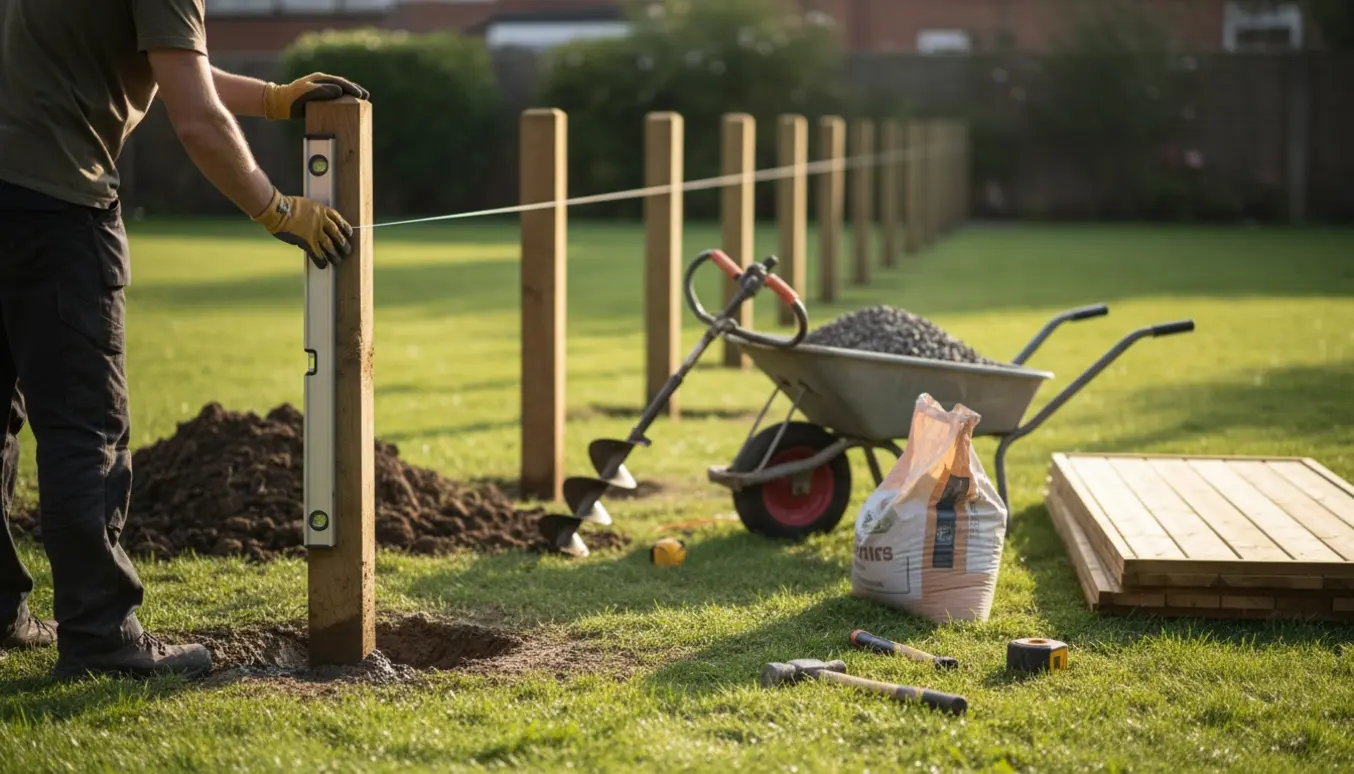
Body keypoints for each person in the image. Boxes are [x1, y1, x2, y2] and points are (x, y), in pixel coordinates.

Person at [0, 0, 368, 679]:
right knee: (86, 430)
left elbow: (168, 69)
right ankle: (101, 637)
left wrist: (271, 98)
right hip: (56, 210)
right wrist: (276, 207)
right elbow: (194, 116)